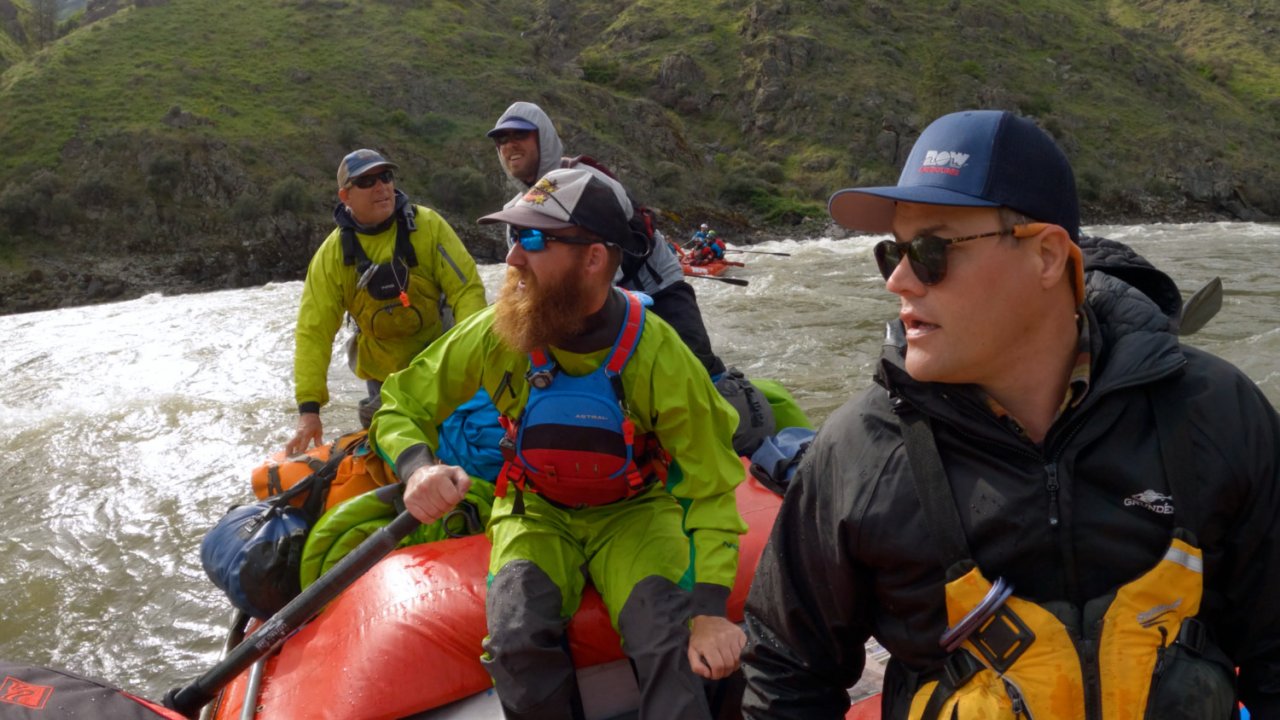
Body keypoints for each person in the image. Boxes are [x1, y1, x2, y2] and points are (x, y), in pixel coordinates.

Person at [740, 109, 1280, 719]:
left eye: (931, 251)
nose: (899, 280)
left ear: (1048, 257)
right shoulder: (860, 453)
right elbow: (787, 673)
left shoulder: (1216, 413)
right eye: (892, 251)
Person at [371, 167, 748, 719]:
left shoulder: (660, 354)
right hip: (535, 511)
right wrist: (417, 468)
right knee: (516, 638)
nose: (513, 259)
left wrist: (712, 608)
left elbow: (711, 483)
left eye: (531, 240)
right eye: (514, 239)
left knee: (667, 638)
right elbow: (402, 402)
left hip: (635, 514)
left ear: (593, 258)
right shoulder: (499, 330)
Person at [486, 101, 775, 456]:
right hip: (593, 303)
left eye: (520, 135)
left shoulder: (591, 185)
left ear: (543, 139)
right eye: (502, 139)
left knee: (697, 365)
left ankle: (741, 437)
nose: (509, 145)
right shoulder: (517, 214)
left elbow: (606, 263)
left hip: (657, 288)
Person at [285, 149, 488, 455]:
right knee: (396, 454)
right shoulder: (331, 257)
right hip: (383, 377)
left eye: (385, 177)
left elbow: (467, 291)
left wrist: (473, 361)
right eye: (366, 181)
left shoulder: (429, 226)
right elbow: (314, 332)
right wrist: (309, 411)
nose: (380, 186)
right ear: (345, 196)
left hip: (443, 362)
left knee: (462, 444)